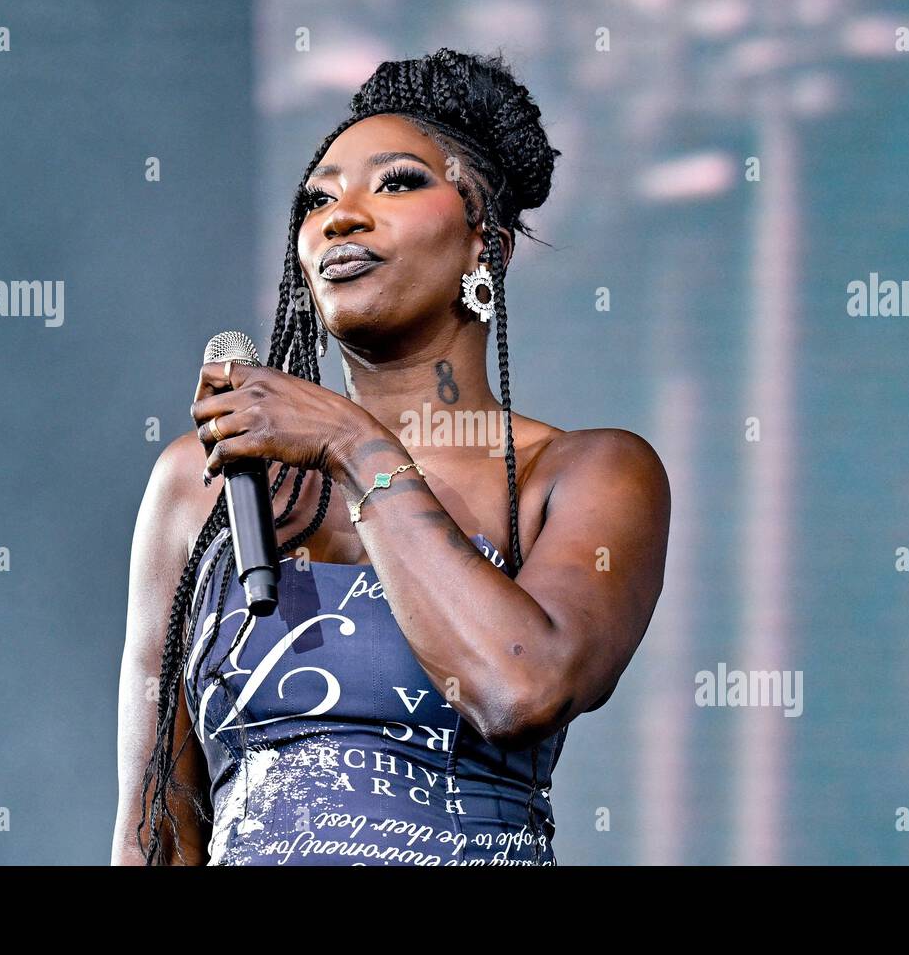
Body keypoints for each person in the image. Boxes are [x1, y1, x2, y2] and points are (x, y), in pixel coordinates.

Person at [111, 48, 671, 866]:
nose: (340, 216)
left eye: (399, 182)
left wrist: (355, 444)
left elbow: (517, 689)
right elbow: (154, 821)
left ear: (489, 244)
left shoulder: (590, 475)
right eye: (318, 198)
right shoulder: (203, 490)